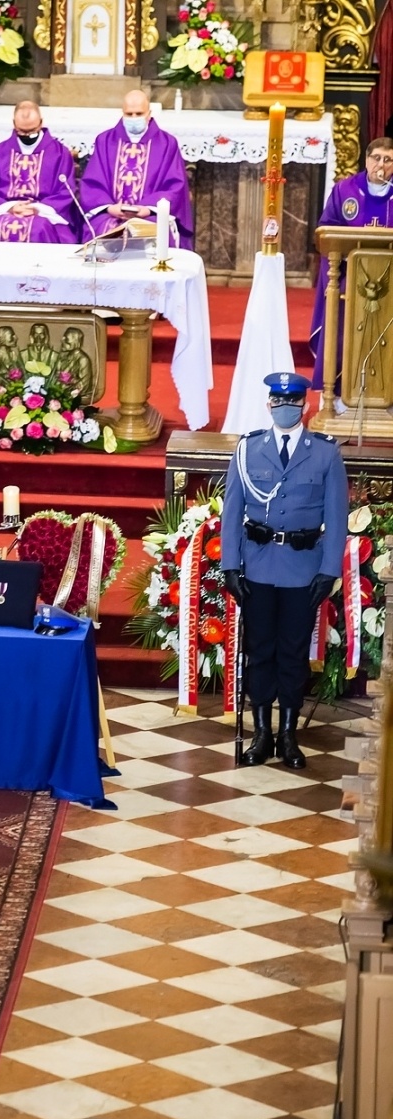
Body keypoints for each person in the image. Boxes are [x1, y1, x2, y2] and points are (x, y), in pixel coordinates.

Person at [221, 372, 349, 770]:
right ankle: (262, 733)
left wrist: (328, 570)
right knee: (260, 650)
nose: (284, 407)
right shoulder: (248, 449)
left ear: (306, 406)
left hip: (302, 569)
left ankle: (289, 735)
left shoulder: (326, 452)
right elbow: (232, 512)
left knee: (293, 652)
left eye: (293, 401)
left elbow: (337, 515)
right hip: (258, 564)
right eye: (278, 401)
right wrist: (230, 566)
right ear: (268, 405)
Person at [309, 138, 393, 398]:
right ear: (366, 160)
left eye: (388, 159)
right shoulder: (345, 190)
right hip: (349, 279)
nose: (381, 164)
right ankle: (340, 390)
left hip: (390, 281)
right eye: (376, 157)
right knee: (343, 325)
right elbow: (326, 232)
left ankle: (386, 392)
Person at [80, 89, 193, 248]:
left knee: (156, 231)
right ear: (122, 113)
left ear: (149, 113)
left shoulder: (167, 143)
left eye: (139, 113)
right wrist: (110, 207)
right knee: (99, 228)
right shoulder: (105, 141)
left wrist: (147, 208)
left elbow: (175, 186)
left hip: (150, 215)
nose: (134, 118)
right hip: (110, 213)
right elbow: (93, 182)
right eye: (129, 114)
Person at [0, 101, 80, 244]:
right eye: (22, 131)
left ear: (41, 123)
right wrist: (11, 207)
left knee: (38, 229)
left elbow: (66, 191)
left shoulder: (59, 153)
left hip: (45, 213)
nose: (27, 135)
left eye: (32, 130)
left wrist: (36, 208)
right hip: (6, 210)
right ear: (14, 124)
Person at [55, 327, 93, 398]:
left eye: (66, 339)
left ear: (76, 342)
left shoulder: (83, 359)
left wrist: (69, 380)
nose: (62, 341)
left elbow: (84, 385)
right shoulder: (64, 357)